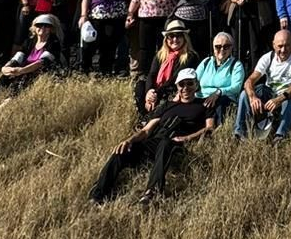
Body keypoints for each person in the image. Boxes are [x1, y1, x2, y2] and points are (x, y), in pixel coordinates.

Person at [89, 69, 214, 207]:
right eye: (181, 84)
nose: (185, 88)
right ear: (177, 87)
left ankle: (151, 193)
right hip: (155, 141)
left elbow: (209, 128)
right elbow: (147, 130)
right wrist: (129, 140)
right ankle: (98, 194)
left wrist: (187, 138)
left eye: (189, 83)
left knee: (166, 143)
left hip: (174, 143)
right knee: (122, 150)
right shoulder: (167, 105)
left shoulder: (203, 105)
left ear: (196, 84)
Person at [236, 29, 291, 141]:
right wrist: (252, 97)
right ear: (273, 45)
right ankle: (240, 133)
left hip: (287, 99)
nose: (283, 50)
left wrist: (280, 99)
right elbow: (249, 81)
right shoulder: (268, 57)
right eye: (280, 46)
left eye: (287, 45)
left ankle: (280, 136)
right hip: (270, 96)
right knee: (244, 94)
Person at [0, 14, 62, 110]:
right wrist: (6, 68)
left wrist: (21, 71)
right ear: (34, 28)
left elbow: (41, 63)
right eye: (39, 25)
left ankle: (8, 102)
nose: (42, 27)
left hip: (38, 71)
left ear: (51, 29)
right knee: (7, 75)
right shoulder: (29, 41)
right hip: (23, 69)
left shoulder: (54, 43)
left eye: (46, 26)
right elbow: (18, 57)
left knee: (26, 78)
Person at [137, 18, 197, 118]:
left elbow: (174, 79)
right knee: (140, 83)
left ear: (184, 38)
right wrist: (150, 91)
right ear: (166, 39)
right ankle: (143, 116)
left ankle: (152, 117)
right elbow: (152, 74)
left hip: (173, 88)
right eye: (171, 36)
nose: (174, 39)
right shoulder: (160, 55)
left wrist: (156, 93)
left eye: (178, 35)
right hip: (156, 90)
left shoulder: (190, 56)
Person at [194, 31, 245, 127]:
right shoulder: (206, 62)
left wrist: (219, 92)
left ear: (231, 48)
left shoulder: (236, 65)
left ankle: (218, 132)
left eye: (226, 46)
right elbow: (194, 80)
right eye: (218, 46)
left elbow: (236, 87)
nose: (222, 50)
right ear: (213, 48)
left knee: (221, 102)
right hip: (202, 97)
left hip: (223, 99)